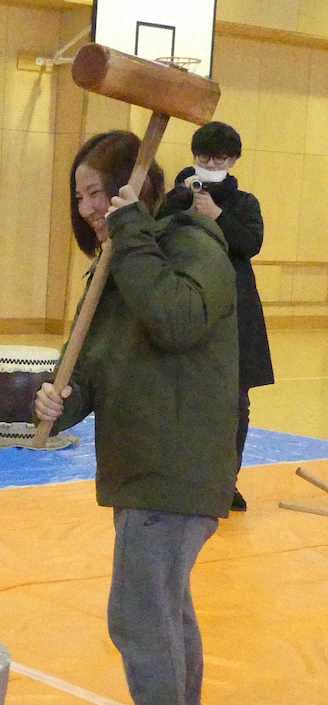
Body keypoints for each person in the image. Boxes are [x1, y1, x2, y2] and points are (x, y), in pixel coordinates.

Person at [34, 130, 238, 705]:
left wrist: (130, 236)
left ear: (136, 184)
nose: (90, 207)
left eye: (100, 191)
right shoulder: (123, 259)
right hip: (145, 460)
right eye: (82, 197)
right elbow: (97, 362)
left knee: (140, 613)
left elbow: (176, 318)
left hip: (176, 461)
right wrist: (61, 401)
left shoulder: (190, 244)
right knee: (166, 604)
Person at [167, 120, 274, 512]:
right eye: (204, 156)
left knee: (235, 402)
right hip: (189, 308)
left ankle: (226, 481)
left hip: (236, 311)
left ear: (232, 160)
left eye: (220, 157)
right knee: (184, 399)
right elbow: (160, 232)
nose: (211, 163)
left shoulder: (244, 203)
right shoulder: (178, 196)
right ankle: (184, 478)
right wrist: (182, 203)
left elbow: (250, 243)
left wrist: (216, 215)